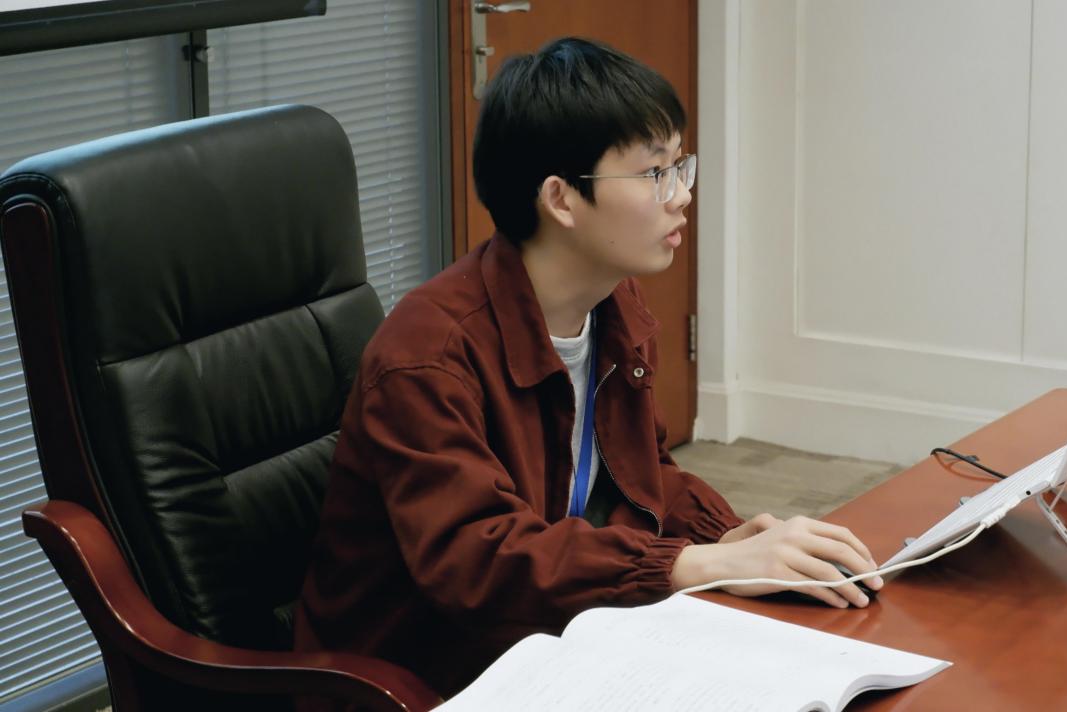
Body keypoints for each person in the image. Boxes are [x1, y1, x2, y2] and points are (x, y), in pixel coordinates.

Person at [293, 36, 884, 701]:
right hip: (420, 677)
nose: (681, 196)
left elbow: (642, 473)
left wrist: (729, 537)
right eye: (653, 173)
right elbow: (478, 559)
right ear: (562, 199)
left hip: (545, 640)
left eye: (679, 165)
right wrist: (691, 563)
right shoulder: (428, 355)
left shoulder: (613, 303)